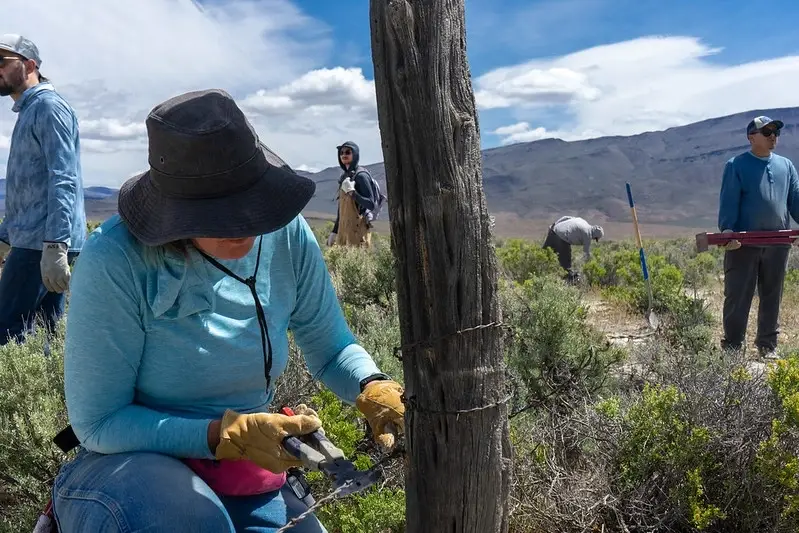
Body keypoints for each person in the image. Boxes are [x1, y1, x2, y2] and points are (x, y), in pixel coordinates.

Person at [51, 89, 405, 532]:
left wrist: (370, 385)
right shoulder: (117, 258)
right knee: (192, 520)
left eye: (250, 206)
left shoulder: (289, 236)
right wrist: (222, 434)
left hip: (244, 468)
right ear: (174, 212)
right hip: (130, 465)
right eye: (220, 214)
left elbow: (331, 347)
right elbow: (99, 423)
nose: (244, 225)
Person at [0, 33, 85, 345]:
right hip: (35, 239)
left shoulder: (49, 107)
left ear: (30, 64)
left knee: (7, 330)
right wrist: (6, 235)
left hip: (43, 242)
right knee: (47, 334)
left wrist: (55, 245)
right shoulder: (29, 111)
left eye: (1, 61)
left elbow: (64, 178)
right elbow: (28, 187)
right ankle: (52, 390)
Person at [717, 115, 799, 359]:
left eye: (775, 132)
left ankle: (767, 345)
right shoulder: (736, 165)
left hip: (778, 244)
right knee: (738, 295)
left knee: (772, 295)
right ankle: (732, 347)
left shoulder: (786, 166)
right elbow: (729, 201)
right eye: (767, 132)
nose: (773, 136)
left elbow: (795, 201)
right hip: (743, 244)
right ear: (752, 137)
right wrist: (727, 231)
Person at [327, 141, 383, 248]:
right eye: (341, 152)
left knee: (357, 263)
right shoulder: (344, 177)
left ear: (355, 154)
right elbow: (341, 210)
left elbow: (371, 204)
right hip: (344, 232)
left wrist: (353, 193)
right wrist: (334, 232)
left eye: (348, 152)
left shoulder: (361, 176)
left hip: (359, 232)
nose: (344, 155)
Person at [542, 215, 604, 283]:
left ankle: (538, 272)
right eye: (595, 238)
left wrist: (554, 224)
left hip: (553, 231)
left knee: (543, 255)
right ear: (595, 235)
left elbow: (565, 217)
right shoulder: (588, 235)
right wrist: (589, 267)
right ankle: (567, 281)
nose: (593, 239)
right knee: (566, 262)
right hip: (562, 238)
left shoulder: (583, 221)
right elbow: (586, 254)